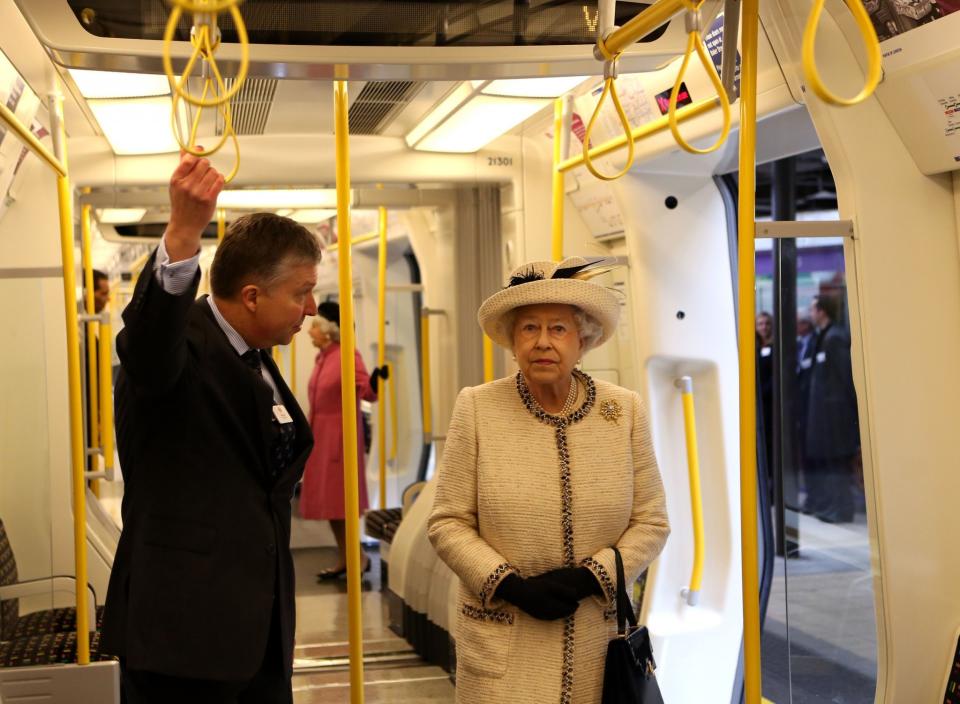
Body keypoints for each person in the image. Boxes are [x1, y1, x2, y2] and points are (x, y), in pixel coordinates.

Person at [99, 152, 322, 704]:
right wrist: (181, 234)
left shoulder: (255, 355)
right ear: (252, 296)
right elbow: (148, 346)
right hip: (184, 638)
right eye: (300, 293)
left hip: (258, 634)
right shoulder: (178, 351)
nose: (311, 308)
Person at [427, 256, 670, 703]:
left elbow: (651, 522)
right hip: (504, 635)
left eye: (558, 329)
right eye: (529, 329)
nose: (543, 342)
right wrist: (510, 586)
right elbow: (447, 522)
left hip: (596, 639)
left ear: (584, 339)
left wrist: (589, 579)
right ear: (513, 341)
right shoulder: (478, 408)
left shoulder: (624, 411)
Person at [301, 301, 388, 581]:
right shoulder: (323, 357)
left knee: (341, 503)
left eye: (314, 327)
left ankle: (356, 558)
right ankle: (348, 558)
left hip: (339, 438)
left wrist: (377, 380)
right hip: (321, 435)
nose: (309, 332)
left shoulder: (347, 355)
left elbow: (367, 392)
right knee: (332, 505)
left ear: (327, 330)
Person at [803, 294, 860, 523]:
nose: (810, 313)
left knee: (837, 463)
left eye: (813, 308)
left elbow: (845, 378)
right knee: (829, 462)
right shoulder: (823, 337)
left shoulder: (834, 338)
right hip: (825, 418)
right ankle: (832, 506)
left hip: (836, 417)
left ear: (822, 311)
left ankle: (842, 509)